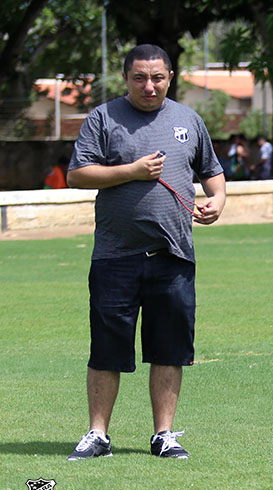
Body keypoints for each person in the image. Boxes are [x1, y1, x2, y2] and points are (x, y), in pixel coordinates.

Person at [65, 44, 226, 461]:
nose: (149, 86)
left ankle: (164, 435)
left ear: (170, 76)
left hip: (172, 257)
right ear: (126, 79)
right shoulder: (104, 118)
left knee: (168, 349)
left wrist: (217, 200)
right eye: (139, 78)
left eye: (157, 77)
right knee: (107, 349)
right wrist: (131, 171)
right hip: (115, 257)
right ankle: (98, 435)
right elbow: (78, 174)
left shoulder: (188, 120)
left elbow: (212, 172)